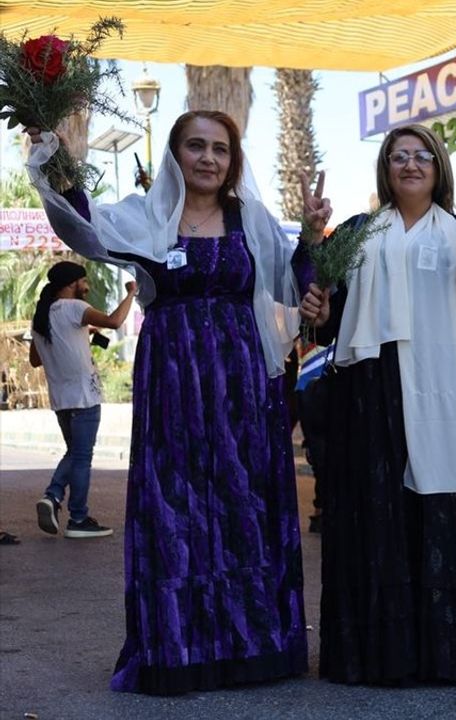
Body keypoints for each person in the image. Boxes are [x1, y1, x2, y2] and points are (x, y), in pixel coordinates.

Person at [26, 110, 317, 694]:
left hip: (241, 381)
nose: (208, 158)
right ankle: (179, 648)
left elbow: (293, 281)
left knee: (244, 499)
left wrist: (310, 236)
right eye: (195, 146)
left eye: (220, 149)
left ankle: (253, 645)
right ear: (174, 154)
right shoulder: (148, 215)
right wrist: (55, 158)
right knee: (175, 503)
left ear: (233, 160)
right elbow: (83, 224)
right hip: (173, 377)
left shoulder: (251, 218)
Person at [301, 125, 456, 685]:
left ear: (438, 168)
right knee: (374, 512)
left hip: (440, 381)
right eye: (399, 156)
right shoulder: (357, 231)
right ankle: (378, 656)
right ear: (385, 168)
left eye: (422, 156)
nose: (410, 165)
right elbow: (326, 311)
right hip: (370, 387)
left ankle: (446, 653)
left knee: (440, 506)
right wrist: (312, 251)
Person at [29, 262, 135, 539]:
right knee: (82, 457)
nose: (87, 286)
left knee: (75, 452)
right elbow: (114, 321)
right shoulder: (75, 308)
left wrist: (76, 335)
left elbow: (35, 359)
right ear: (72, 283)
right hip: (84, 397)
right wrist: (131, 293)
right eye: (84, 281)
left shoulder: (41, 317)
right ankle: (76, 517)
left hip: (61, 400)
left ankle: (54, 497)